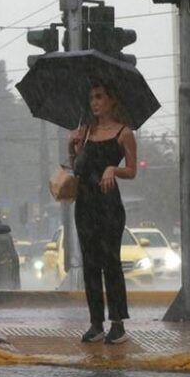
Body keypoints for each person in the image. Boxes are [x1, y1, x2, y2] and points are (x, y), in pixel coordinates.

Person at [68, 80, 138, 344]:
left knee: (111, 262)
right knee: (90, 264)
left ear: (111, 101)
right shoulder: (85, 132)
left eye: (99, 97)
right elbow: (77, 169)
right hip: (85, 204)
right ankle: (95, 322)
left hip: (108, 204)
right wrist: (72, 147)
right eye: (91, 98)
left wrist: (113, 169)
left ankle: (117, 322)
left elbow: (132, 170)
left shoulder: (124, 133)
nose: (94, 102)